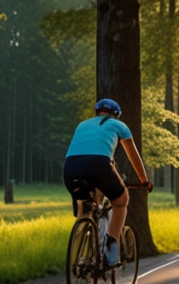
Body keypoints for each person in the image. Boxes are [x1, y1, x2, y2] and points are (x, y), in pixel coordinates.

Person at [63, 98, 152, 265]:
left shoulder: (82, 125)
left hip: (70, 168)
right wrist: (144, 180)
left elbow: (85, 149)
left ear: (97, 112)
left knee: (85, 210)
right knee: (121, 201)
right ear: (116, 115)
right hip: (99, 165)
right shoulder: (119, 126)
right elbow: (133, 156)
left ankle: (77, 259)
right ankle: (111, 246)